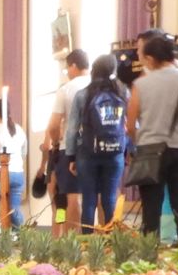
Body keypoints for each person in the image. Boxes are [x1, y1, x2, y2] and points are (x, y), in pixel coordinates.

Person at [126, 35, 178, 239]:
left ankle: (148, 261)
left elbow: (130, 124)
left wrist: (139, 144)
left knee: (150, 210)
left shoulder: (141, 85)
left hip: (151, 151)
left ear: (151, 59)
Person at [73, 54, 130, 233]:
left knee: (89, 200)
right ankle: (110, 242)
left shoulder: (83, 94)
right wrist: (127, 150)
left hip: (88, 152)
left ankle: (86, 243)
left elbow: (72, 129)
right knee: (109, 199)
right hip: (115, 153)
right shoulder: (123, 93)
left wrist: (70, 156)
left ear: (93, 71)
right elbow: (132, 124)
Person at [45, 49, 90, 236]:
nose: (67, 72)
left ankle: (68, 239)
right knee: (99, 196)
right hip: (95, 148)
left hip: (67, 150)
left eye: (67, 68)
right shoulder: (100, 85)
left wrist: (54, 145)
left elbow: (53, 126)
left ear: (73, 66)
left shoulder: (67, 89)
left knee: (66, 198)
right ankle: (102, 239)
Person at [0, 99, 27, 228]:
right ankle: (21, 235)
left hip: (1, 173)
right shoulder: (19, 129)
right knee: (14, 209)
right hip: (18, 173)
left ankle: (2, 237)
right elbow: (24, 153)